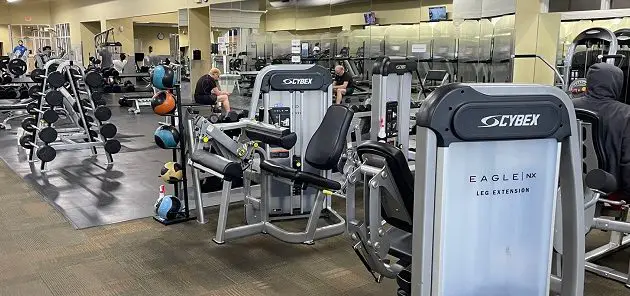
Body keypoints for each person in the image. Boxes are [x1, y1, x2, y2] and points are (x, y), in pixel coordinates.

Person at [573, 62, 630, 202]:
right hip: (608, 188)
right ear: (618, 84)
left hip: (569, 181)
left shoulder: (569, 106)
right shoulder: (626, 114)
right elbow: (628, 161)